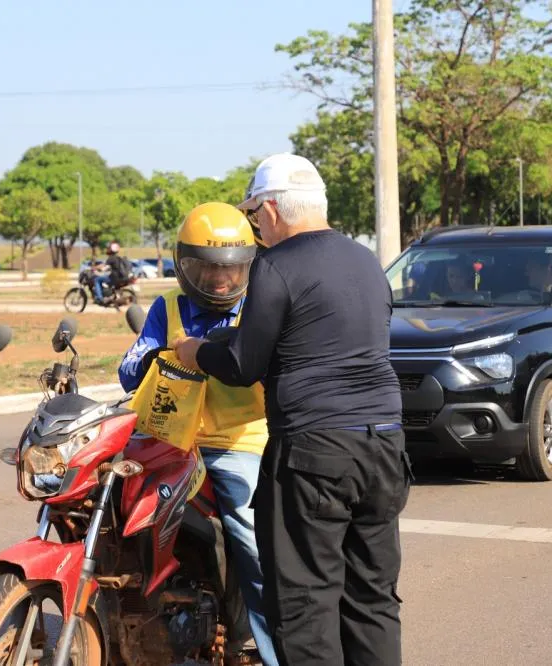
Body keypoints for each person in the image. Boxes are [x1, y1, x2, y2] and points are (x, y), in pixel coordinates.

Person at [173, 153, 410, 666]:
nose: (257, 228)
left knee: (305, 606)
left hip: (314, 452)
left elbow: (243, 362)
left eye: (256, 217)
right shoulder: (366, 262)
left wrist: (196, 351)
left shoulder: (277, 266)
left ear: (272, 211)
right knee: (372, 599)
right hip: (384, 443)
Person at [118, 202, 278, 666]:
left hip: (237, 441)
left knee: (250, 539)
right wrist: (151, 359)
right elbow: (130, 366)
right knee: (104, 501)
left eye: (230, 270)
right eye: (205, 270)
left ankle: (268, 651)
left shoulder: (259, 308)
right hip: (166, 439)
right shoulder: (167, 306)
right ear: (183, 264)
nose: (220, 281)